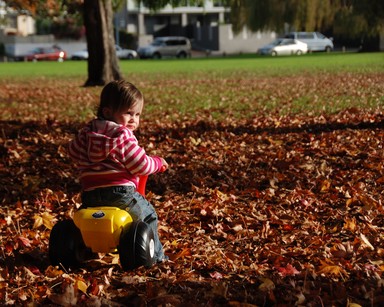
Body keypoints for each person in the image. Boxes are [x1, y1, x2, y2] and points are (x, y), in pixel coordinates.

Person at [68, 80, 168, 263]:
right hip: (120, 195)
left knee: (75, 225)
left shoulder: (87, 133)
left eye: (137, 114)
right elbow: (141, 165)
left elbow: (72, 152)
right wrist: (157, 162)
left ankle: (79, 249)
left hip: (90, 195)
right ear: (108, 112)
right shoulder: (122, 136)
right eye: (128, 113)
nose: (134, 120)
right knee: (148, 215)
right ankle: (158, 256)